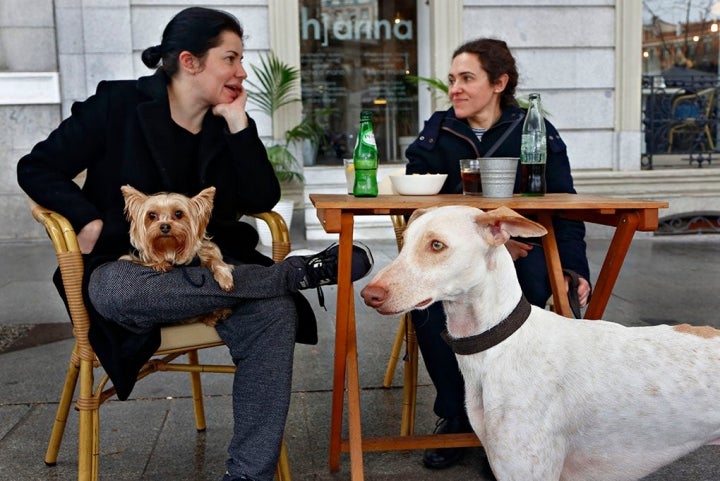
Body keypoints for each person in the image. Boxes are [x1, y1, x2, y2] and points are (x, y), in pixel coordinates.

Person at [16, 7, 373, 481]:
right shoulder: (117, 106)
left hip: (217, 266)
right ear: (190, 60)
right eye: (231, 58)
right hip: (128, 267)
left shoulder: (223, 125)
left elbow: (262, 197)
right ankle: (291, 275)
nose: (242, 71)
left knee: (274, 313)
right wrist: (85, 219)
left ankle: (248, 474)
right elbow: (36, 166)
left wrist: (239, 124)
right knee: (119, 292)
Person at [404, 38, 592, 471]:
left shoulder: (534, 130)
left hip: (528, 257)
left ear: (499, 83)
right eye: (452, 79)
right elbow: (418, 201)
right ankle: (457, 416)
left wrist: (574, 267)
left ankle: (515, 424)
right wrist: (488, 240)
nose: (455, 89)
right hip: (458, 259)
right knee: (428, 304)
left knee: (535, 287)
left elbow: (566, 207)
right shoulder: (438, 130)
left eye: (467, 78)